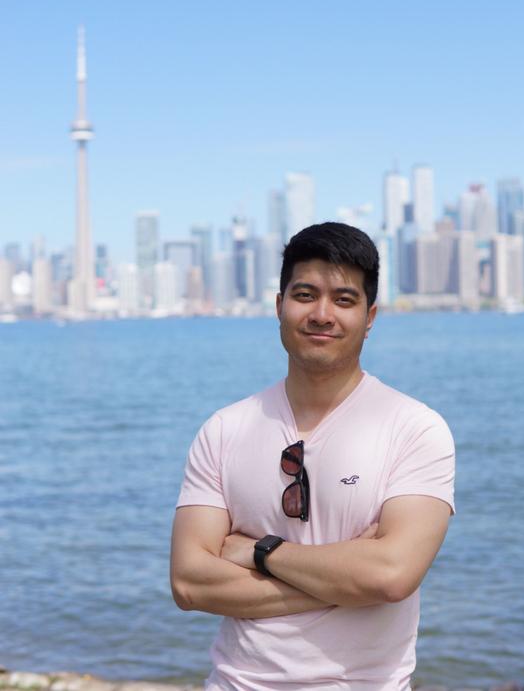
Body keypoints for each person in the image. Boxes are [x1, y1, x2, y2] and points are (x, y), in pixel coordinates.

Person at [170, 222, 456, 691]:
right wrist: (344, 579)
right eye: (305, 295)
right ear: (279, 305)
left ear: (370, 317)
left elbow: (389, 576)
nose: (323, 314)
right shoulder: (224, 429)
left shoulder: (415, 428)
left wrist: (259, 552)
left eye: (344, 300)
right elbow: (189, 583)